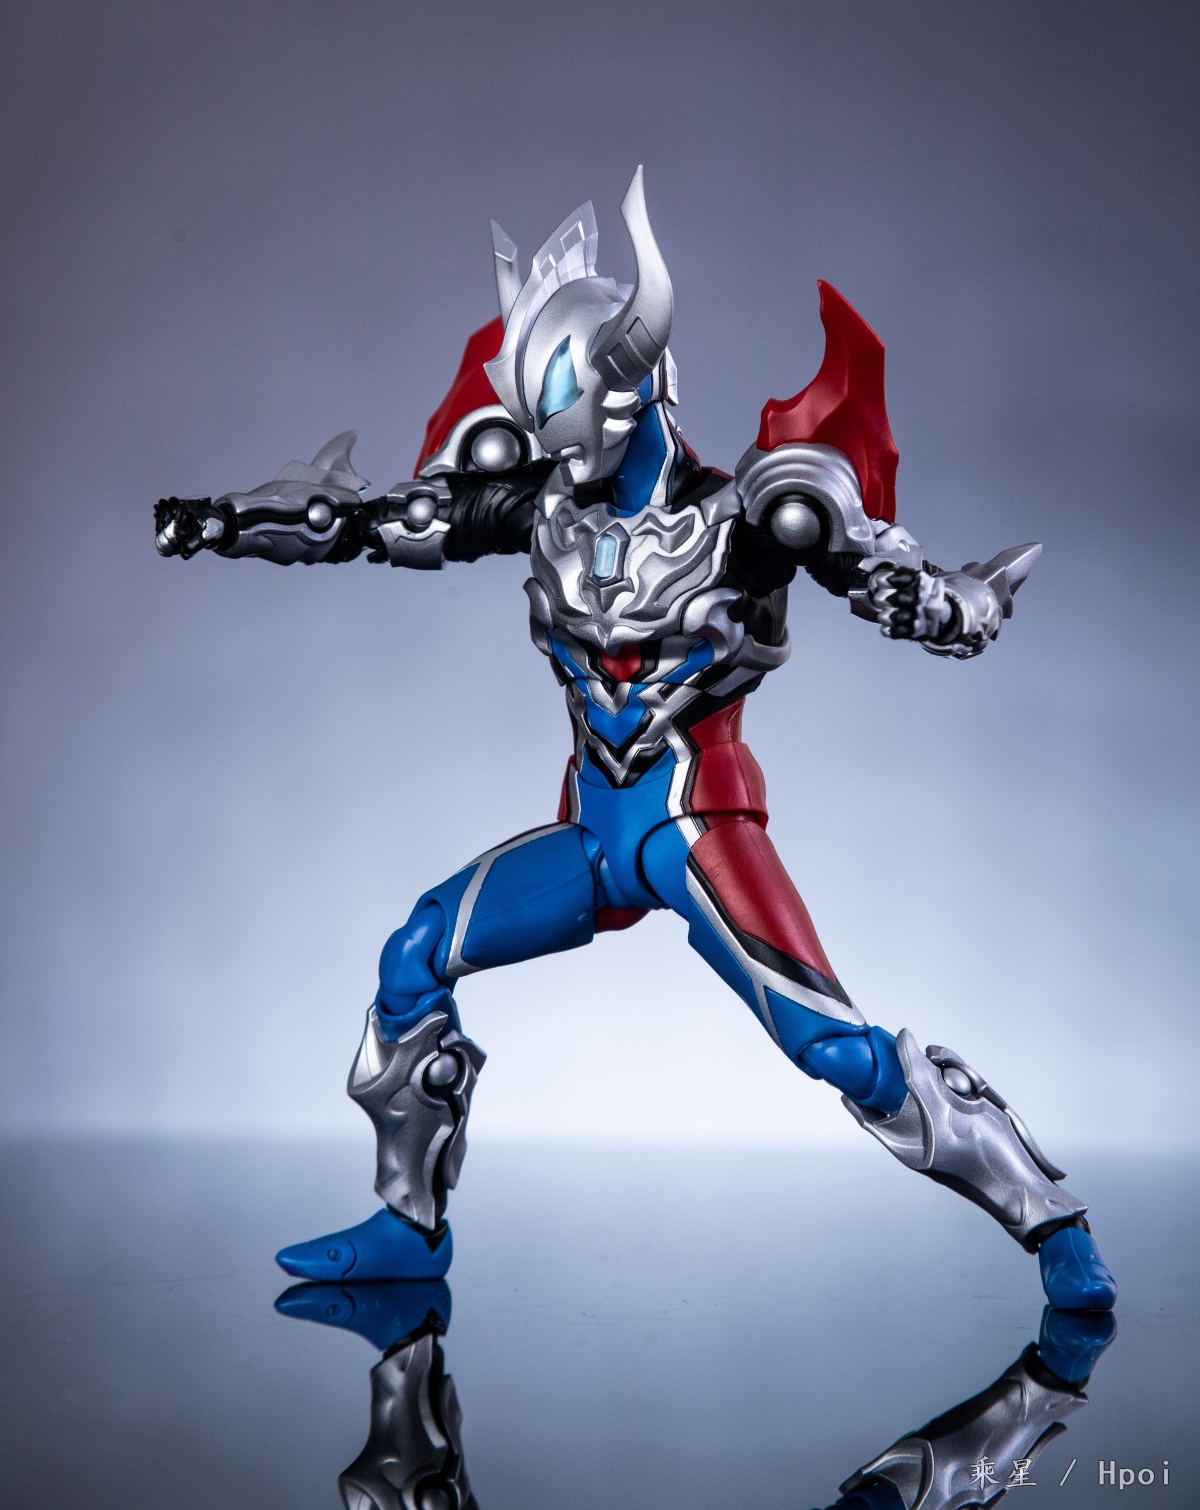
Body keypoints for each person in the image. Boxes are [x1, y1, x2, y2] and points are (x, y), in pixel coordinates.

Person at [155, 169, 1116, 1311]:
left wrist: (947, 606)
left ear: (631, 391)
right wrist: (223, 522)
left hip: (697, 829)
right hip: (592, 834)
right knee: (415, 954)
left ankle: (1053, 1222)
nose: (559, 458)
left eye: (572, 426)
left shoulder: (755, 514)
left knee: (832, 1048)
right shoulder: (544, 510)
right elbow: (361, 520)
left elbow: (899, 578)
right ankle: (409, 1225)